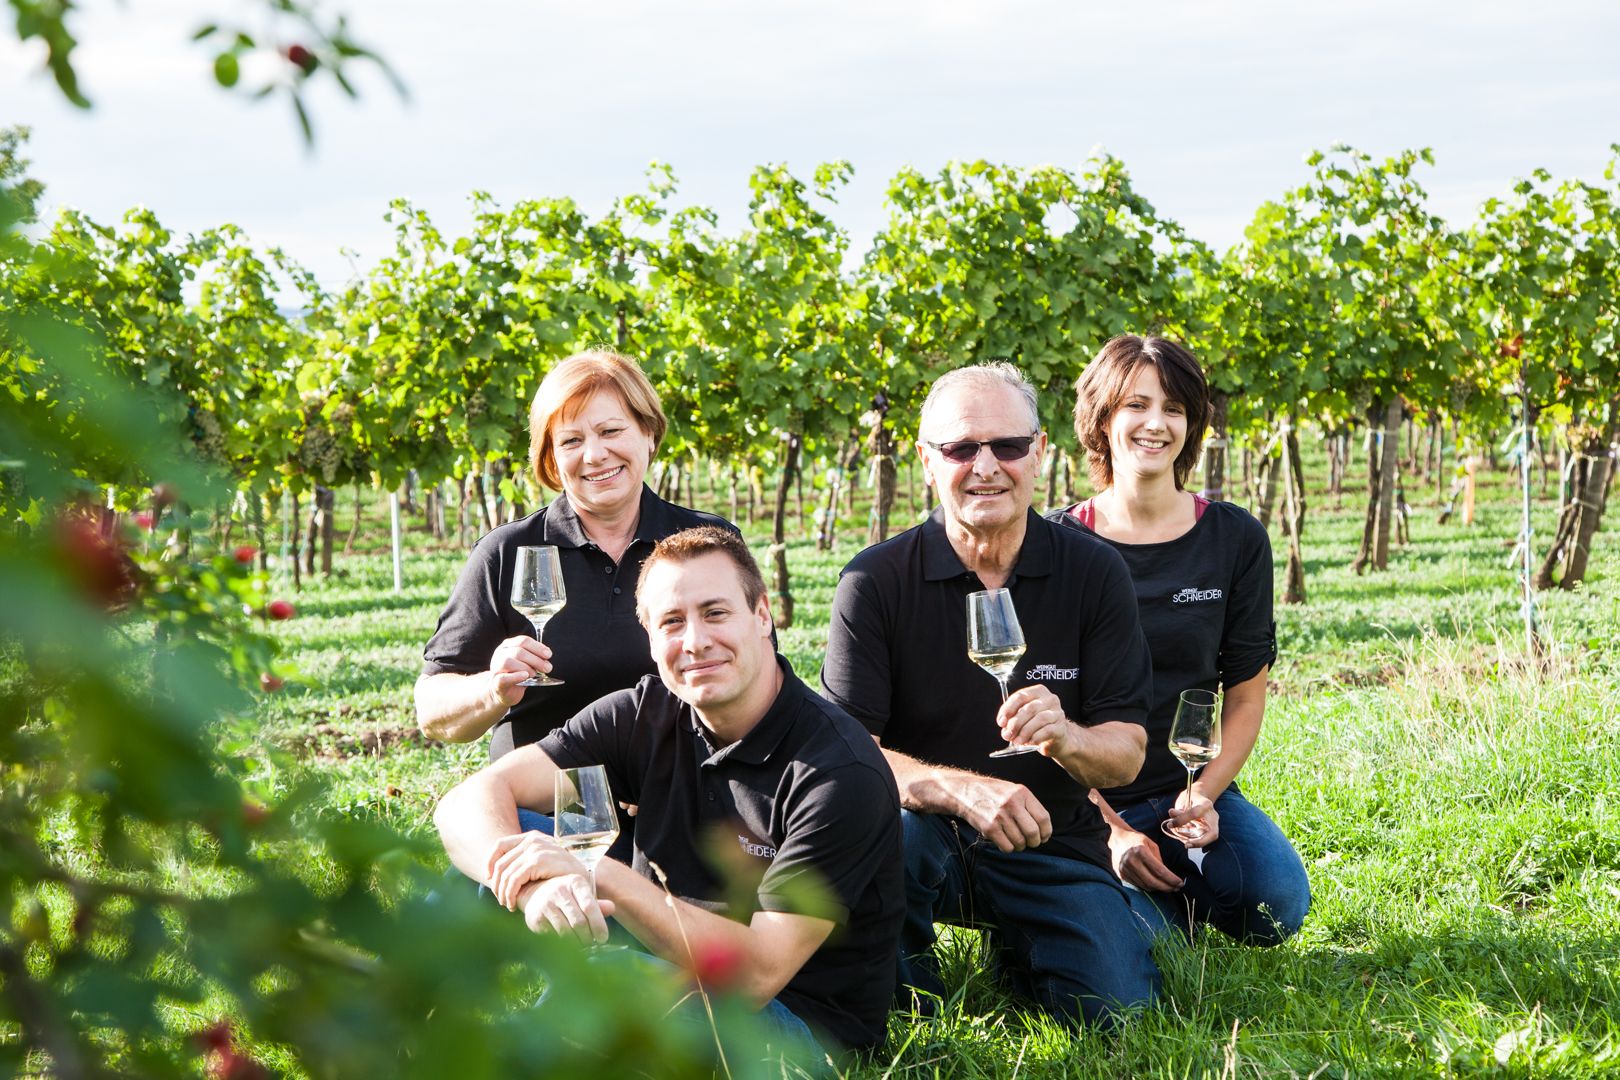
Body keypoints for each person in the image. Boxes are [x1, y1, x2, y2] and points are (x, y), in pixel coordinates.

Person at [435, 527, 904, 1057]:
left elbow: (755, 975)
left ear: (763, 615)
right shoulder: (645, 712)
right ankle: (406, 1033)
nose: (696, 641)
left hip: (792, 1029)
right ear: (650, 637)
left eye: (716, 613)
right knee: (506, 853)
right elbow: (469, 800)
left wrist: (592, 869)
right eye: (672, 622)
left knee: (614, 978)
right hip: (661, 949)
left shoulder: (837, 772)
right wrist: (532, 884)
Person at [820, 362, 1159, 1028]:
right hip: (922, 838)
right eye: (961, 448)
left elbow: (1126, 756)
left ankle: (1039, 936)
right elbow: (844, 755)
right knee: (888, 858)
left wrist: (1068, 738)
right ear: (926, 460)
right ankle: (911, 997)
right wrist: (962, 791)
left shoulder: (1094, 572)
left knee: (1115, 1014)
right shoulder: (875, 582)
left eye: (1007, 446)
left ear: (1039, 454)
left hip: (1055, 842)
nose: (986, 466)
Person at [1053, 334, 1309, 944]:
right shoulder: (1058, 547)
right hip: (1084, 798)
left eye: (1174, 408)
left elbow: (1245, 696)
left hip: (1186, 786)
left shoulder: (1235, 539)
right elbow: (1045, 719)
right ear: (1102, 418)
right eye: (1135, 405)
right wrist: (1110, 828)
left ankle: (1166, 884)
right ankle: (1125, 889)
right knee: (1154, 945)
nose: (1156, 423)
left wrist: (1203, 794)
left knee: (1276, 906)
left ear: (1191, 425)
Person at [416, 349, 740, 760]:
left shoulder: (710, 544)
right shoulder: (507, 553)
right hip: (544, 805)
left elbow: (757, 677)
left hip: (681, 796)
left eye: (610, 431)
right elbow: (432, 711)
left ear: (649, 433)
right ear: (551, 458)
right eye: (571, 440)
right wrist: (493, 688)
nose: (594, 455)